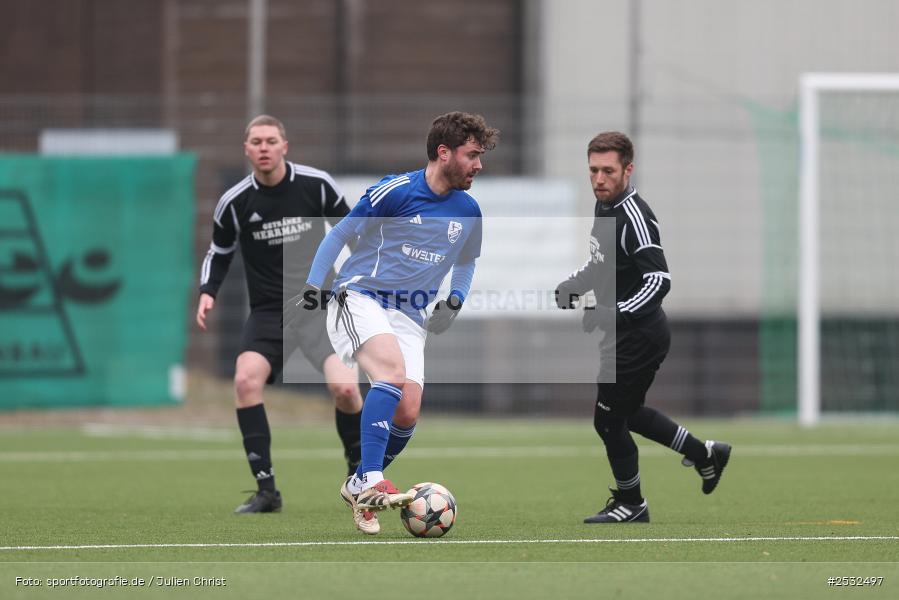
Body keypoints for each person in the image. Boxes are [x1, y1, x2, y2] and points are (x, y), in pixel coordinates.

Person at [286, 111, 498, 534]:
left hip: (411, 315)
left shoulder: (469, 211)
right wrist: (313, 286)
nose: (479, 165)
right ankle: (369, 480)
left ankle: (357, 481)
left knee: (408, 410)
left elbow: (467, 262)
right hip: (360, 296)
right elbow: (339, 235)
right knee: (391, 373)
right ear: (444, 152)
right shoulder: (396, 191)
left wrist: (454, 301)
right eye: (472, 155)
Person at [555, 131, 731, 523]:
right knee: (628, 414)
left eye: (608, 171)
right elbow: (604, 264)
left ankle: (632, 503)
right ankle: (706, 454)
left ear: (628, 170)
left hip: (639, 336)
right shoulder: (604, 207)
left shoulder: (634, 215)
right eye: (593, 171)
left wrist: (613, 313)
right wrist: (575, 284)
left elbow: (659, 280)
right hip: (623, 335)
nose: (599, 179)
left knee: (608, 420)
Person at [197, 115, 363, 514]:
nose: (264, 148)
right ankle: (266, 490)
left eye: (271, 140)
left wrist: (369, 279)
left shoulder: (316, 185)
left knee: (345, 390)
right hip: (270, 312)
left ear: (285, 146)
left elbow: (355, 232)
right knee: (244, 381)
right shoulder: (234, 203)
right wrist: (207, 292)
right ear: (247, 149)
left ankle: (360, 478)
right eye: (256, 141)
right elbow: (218, 254)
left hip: (321, 305)